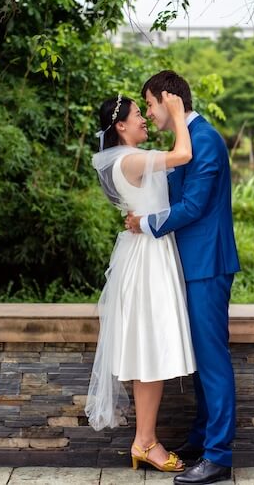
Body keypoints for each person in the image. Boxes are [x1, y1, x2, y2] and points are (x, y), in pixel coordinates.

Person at [125, 70, 240, 485]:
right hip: (189, 265)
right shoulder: (187, 142)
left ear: (169, 100)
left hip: (208, 264)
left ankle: (219, 456)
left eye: (151, 104)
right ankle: (201, 440)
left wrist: (145, 223)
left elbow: (192, 207)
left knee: (212, 361)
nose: (150, 113)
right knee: (199, 364)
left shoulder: (205, 140)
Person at [86, 92, 197, 473]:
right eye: (138, 115)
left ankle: (144, 439)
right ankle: (145, 441)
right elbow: (182, 155)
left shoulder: (125, 159)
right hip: (148, 258)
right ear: (121, 126)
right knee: (150, 350)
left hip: (148, 251)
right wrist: (181, 115)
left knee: (147, 349)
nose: (144, 120)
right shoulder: (131, 159)